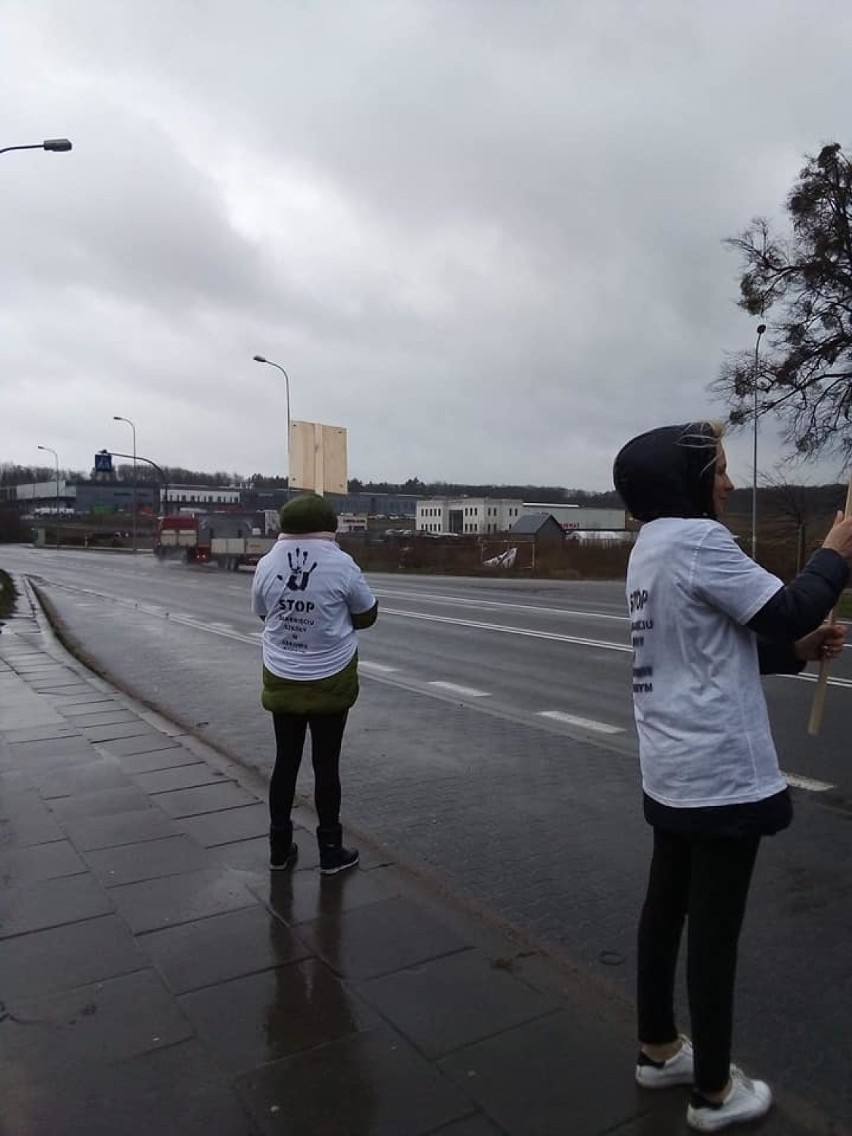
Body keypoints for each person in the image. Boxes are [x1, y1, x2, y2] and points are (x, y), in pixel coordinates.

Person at [612, 421, 852, 1133]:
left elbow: (719, 646)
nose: (730, 481)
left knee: (666, 912)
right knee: (714, 935)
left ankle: (659, 1049)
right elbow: (788, 605)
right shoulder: (699, 542)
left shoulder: (651, 548)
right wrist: (836, 554)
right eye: (718, 468)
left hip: (673, 768)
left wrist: (801, 648)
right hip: (719, 773)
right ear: (688, 481)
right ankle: (714, 1093)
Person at [251, 492, 378, 875]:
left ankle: (278, 848)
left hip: (282, 674)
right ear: (329, 526)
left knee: (284, 763)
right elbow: (367, 613)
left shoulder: (266, 563)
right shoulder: (341, 564)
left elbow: (261, 611)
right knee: (326, 766)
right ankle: (330, 851)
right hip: (331, 679)